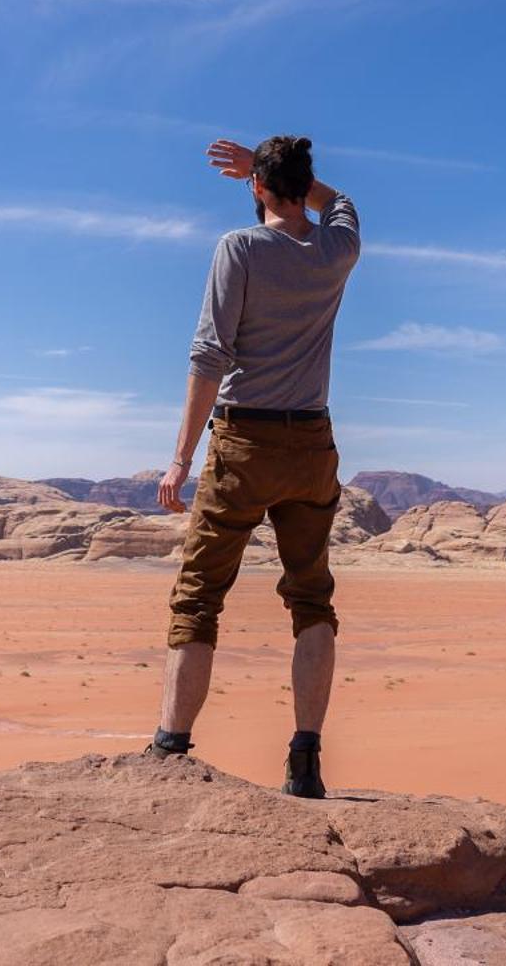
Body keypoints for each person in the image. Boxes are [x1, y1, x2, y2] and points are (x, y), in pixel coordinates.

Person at [146, 134, 361, 800]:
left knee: (199, 597)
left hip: (244, 443)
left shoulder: (238, 248)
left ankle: (171, 748)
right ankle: (305, 759)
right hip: (312, 445)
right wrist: (283, 176)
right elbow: (343, 202)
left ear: (255, 188)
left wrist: (181, 458)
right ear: (306, 185)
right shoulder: (336, 248)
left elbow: (210, 355)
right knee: (311, 597)